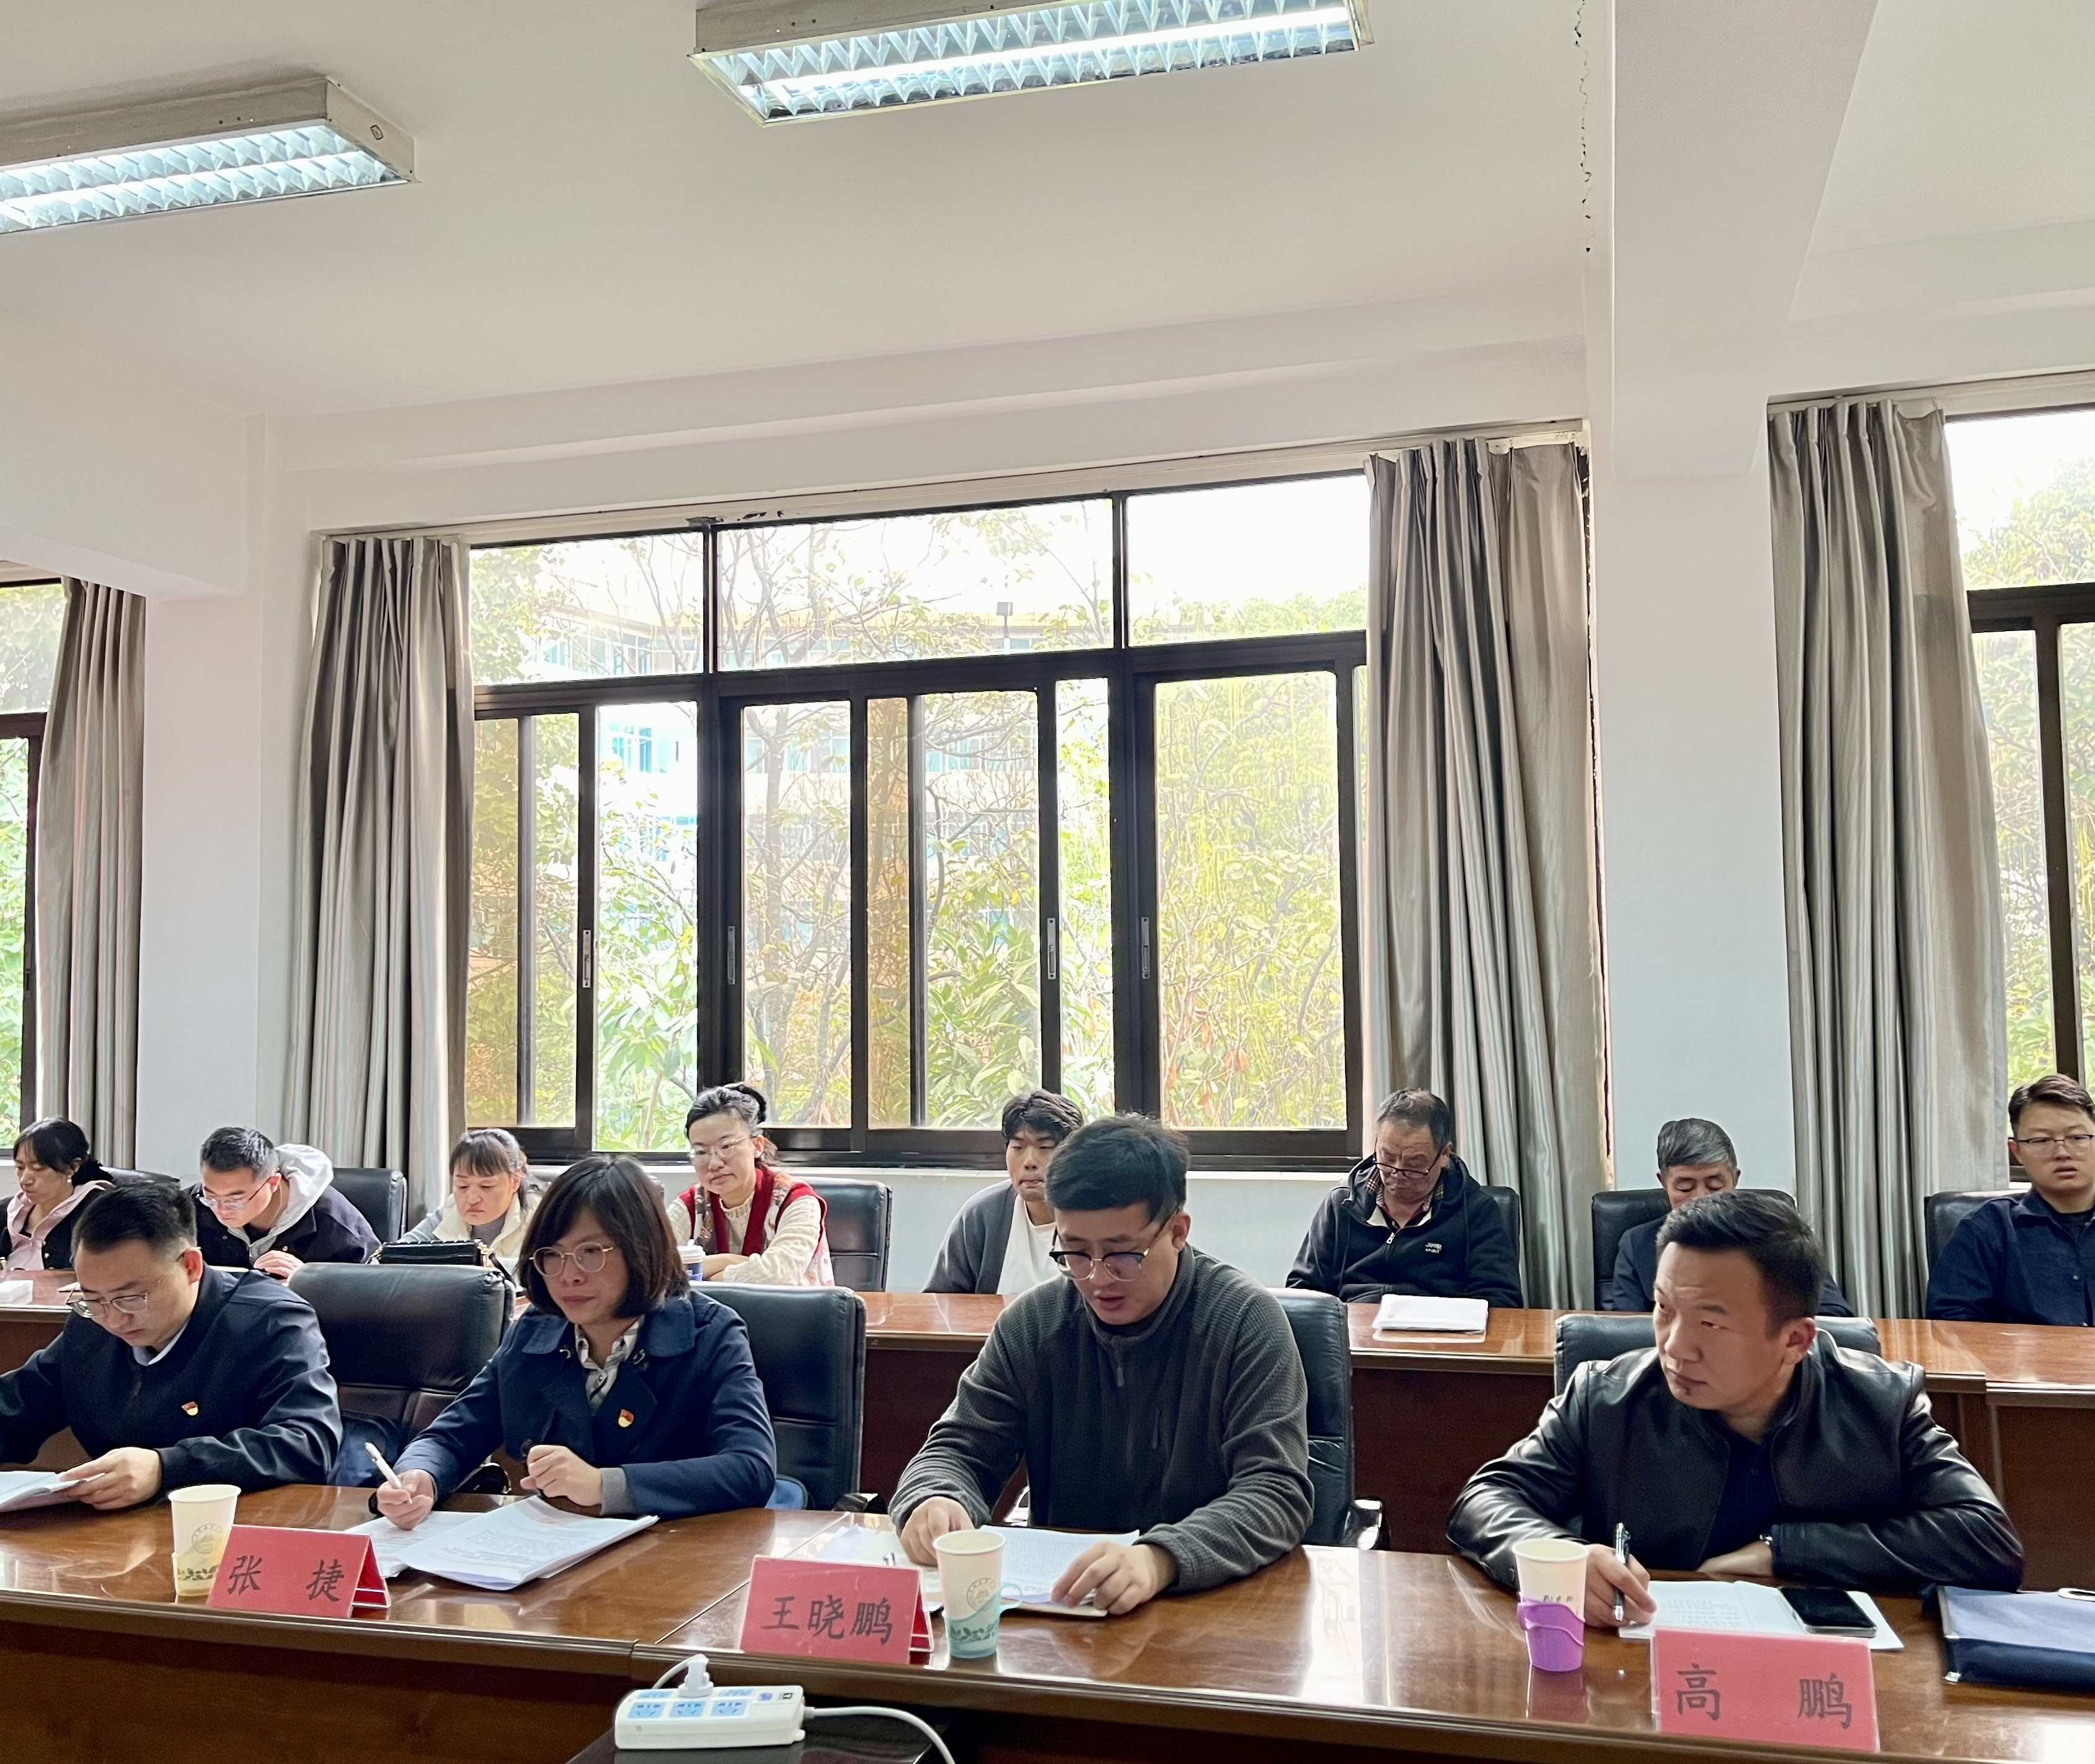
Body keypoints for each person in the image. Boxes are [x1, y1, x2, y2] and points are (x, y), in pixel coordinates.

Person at [1446, 1189, 2022, 1625]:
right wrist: (1564, 1559)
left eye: (1711, 1324)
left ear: (1794, 1340)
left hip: (1832, 1678)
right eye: (1664, 1309)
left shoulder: (1881, 1401)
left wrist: (1787, 1552)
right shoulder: (1606, 1397)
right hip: (1644, 1670)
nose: (1674, 1347)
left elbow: (1985, 1541)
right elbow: (1485, 1501)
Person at [895, 1114, 1312, 1617]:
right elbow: (958, 1449)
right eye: (1075, 1253)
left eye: (1123, 1256)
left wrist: (1161, 1558)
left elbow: (1276, 1491)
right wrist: (935, 1498)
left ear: (1177, 1231)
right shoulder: (1035, 1323)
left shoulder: (1244, 1321)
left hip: (1207, 1609)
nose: (1097, 1279)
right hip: (1064, 1608)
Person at [379, 1155, 775, 1524]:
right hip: (549, 1551)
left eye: (590, 1252)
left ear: (642, 1250)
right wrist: (420, 1475)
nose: (568, 1275)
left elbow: (751, 1468)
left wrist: (604, 1485)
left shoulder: (710, 1333)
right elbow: (452, 1436)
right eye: (552, 1254)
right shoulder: (535, 1331)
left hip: (675, 1556)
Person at [0, 1180, 340, 1505]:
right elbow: (19, 1405)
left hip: (238, 1525)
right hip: (115, 1529)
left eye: (131, 1298)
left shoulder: (269, 1321)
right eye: (93, 1298)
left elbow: (307, 1444)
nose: (114, 1319)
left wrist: (166, 1468)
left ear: (191, 1266)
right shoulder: (91, 1326)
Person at [1286, 1089, 1523, 1307]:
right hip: (1355, 1330)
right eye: (1387, 1158)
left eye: (1415, 1164)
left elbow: (1502, 1302)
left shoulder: (1477, 1212)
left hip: (1438, 1333)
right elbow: (1303, 1292)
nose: (1398, 1174)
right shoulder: (1342, 1205)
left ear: (1444, 1155)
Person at [1606, 1117, 1853, 1315]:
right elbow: (1628, 1333)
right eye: (1685, 1187)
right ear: (1664, 1183)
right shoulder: (1637, 1245)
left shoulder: (1779, 1235)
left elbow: (1835, 1316)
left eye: (1715, 1185)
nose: (1701, 1198)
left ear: (1735, 1179)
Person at [1928, 1072, 2095, 1325]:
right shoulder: (1986, 1230)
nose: (2062, 1152)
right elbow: (1951, 1325)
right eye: (2042, 1140)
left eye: (2077, 1138)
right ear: (2017, 1151)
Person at [669, 1084, 833, 1286]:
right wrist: (731, 1260)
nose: (714, 1163)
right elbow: (653, 1269)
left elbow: (779, 1277)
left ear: (756, 1146)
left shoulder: (797, 1201)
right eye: (701, 1152)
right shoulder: (691, 1205)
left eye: (726, 1146)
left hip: (787, 1308)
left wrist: (699, 1274)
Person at [926, 1089, 1083, 1295]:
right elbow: (940, 1301)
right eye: (1018, 1147)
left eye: (1045, 1147)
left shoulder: (1098, 1215)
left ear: (1073, 1154)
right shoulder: (983, 1214)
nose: (1029, 1162)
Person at [191, 1127, 378, 1278]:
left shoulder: (340, 1228)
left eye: (236, 1200)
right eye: (211, 1196)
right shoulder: (192, 1206)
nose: (221, 1209)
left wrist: (310, 1281)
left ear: (273, 1183)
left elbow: (375, 1295)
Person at [398, 1128, 537, 1262]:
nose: (472, 1199)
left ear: (515, 1180)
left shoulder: (538, 1219)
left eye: (486, 1186)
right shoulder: (450, 1211)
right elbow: (398, 1253)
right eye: (462, 1186)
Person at [2, 1119, 114, 1271]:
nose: (24, 1180)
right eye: (20, 1167)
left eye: (38, 1169)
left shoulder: (98, 1211)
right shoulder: (11, 1210)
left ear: (73, 1167)